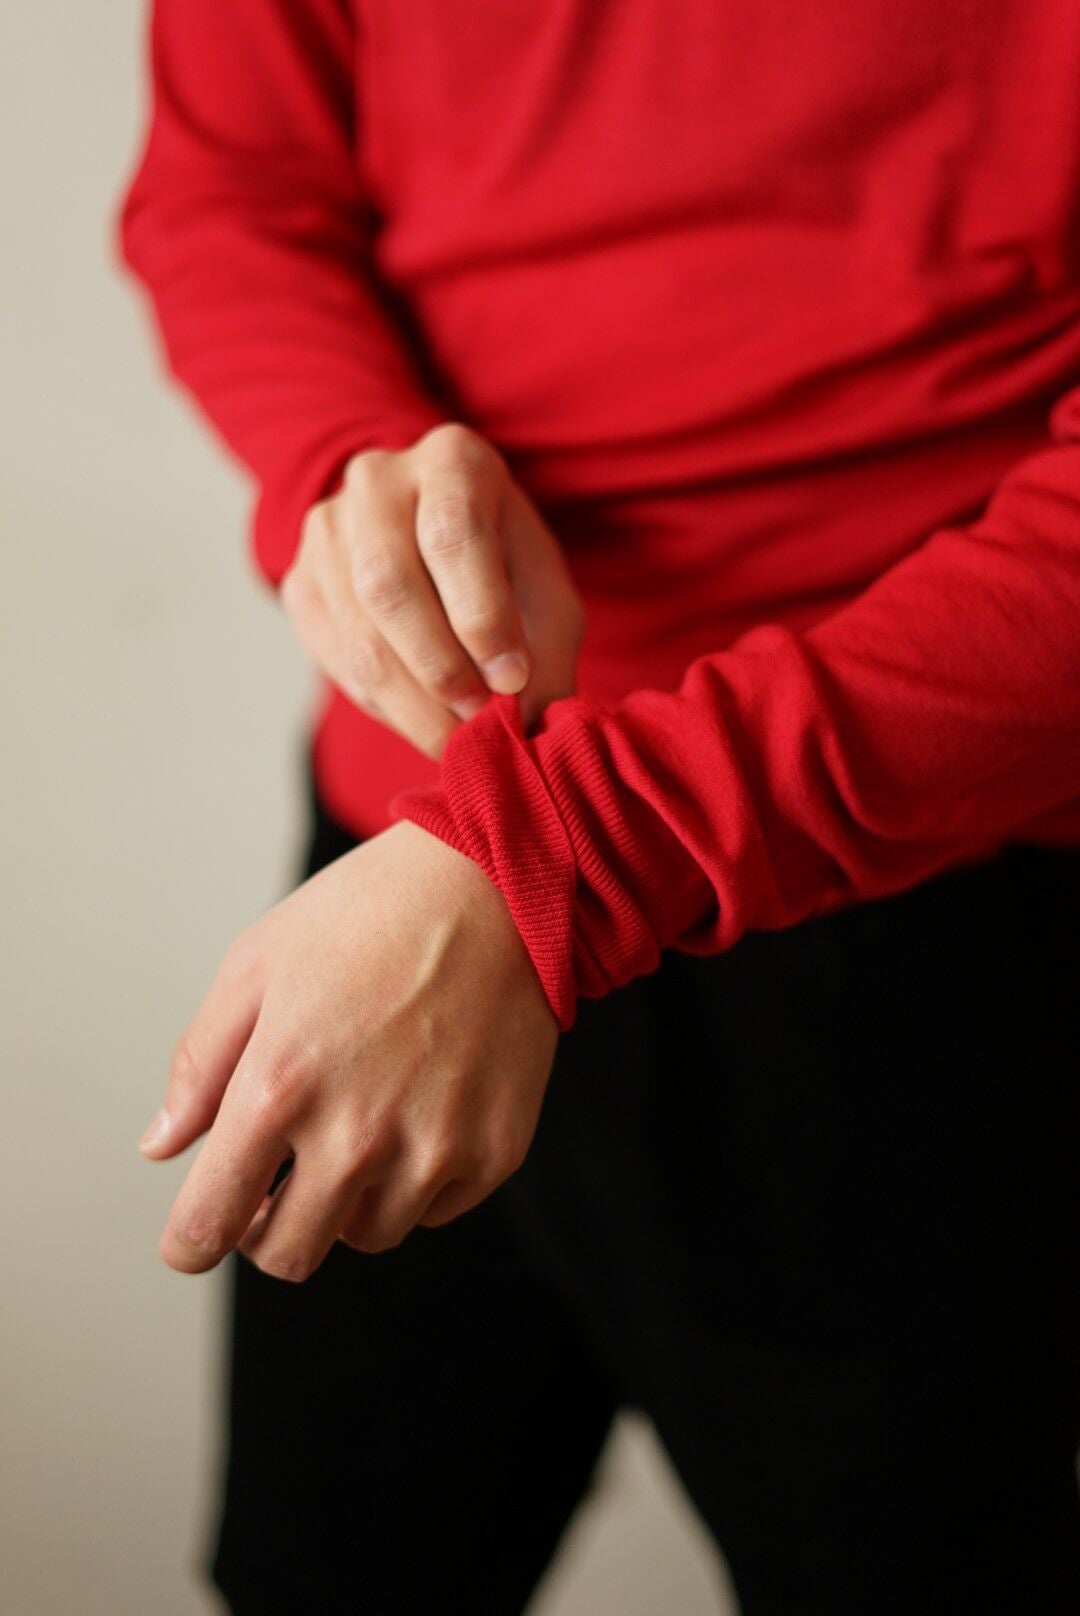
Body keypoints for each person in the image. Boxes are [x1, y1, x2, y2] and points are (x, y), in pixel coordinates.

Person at [117, 3, 1080, 1611]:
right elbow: (235, 186)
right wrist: (347, 462)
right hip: (401, 894)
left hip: (920, 908)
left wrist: (570, 848)